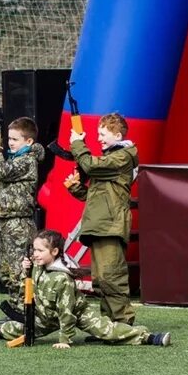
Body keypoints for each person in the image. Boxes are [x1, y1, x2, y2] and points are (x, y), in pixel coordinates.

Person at [0, 229, 170, 348]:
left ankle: (148, 337)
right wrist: (25, 272)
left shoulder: (62, 278)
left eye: (40, 250)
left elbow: (66, 312)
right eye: (34, 250)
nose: (36, 254)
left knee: (107, 331)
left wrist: (65, 338)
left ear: (55, 252)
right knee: (17, 328)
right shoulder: (37, 268)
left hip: (76, 312)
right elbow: (25, 289)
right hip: (45, 315)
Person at [64, 112, 138, 324]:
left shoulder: (122, 156)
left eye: (103, 134)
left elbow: (90, 165)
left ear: (117, 134)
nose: (99, 138)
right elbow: (95, 197)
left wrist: (77, 143)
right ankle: (110, 323)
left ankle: (123, 323)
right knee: (102, 280)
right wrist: (76, 188)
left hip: (110, 226)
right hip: (101, 225)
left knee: (111, 277)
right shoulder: (113, 158)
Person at [0, 116, 45, 318]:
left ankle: (25, 309)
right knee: (7, 270)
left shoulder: (27, 160)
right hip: (6, 220)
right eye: (9, 139)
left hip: (18, 222)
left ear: (28, 142)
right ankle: (16, 308)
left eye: (15, 139)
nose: (10, 143)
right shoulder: (15, 159)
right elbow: (4, 184)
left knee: (20, 269)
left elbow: (1, 171)